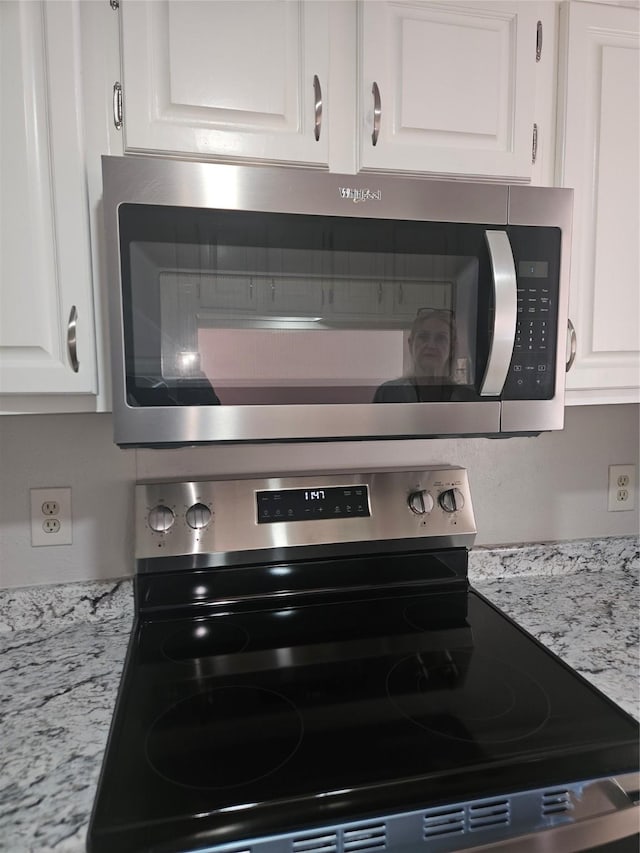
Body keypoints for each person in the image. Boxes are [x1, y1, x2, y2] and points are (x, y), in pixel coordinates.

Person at [373, 308, 471, 403]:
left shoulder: (466, 398)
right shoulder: (388, 393)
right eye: (423, 337)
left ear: (452, 347)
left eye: (441, 338)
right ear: (411, 344)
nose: (431, 345)